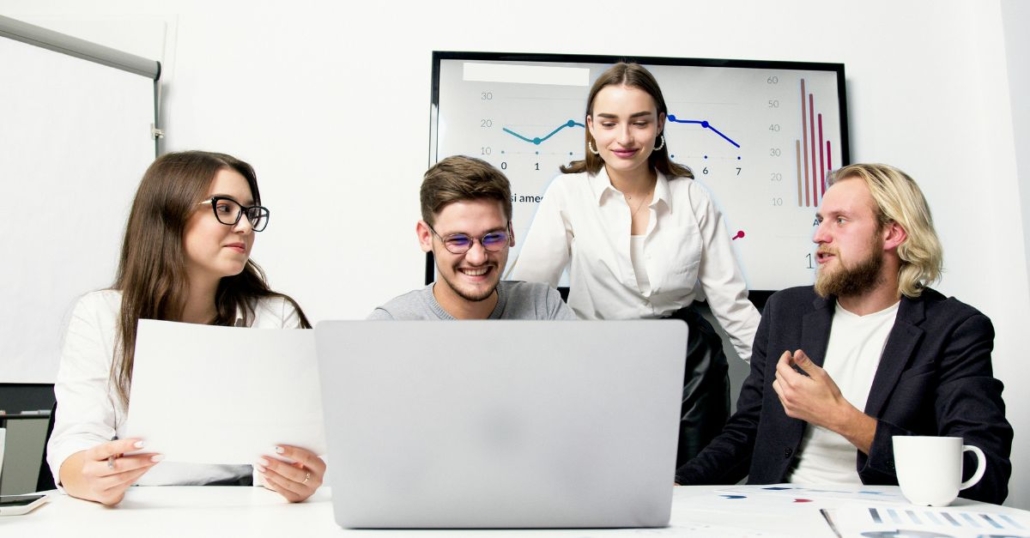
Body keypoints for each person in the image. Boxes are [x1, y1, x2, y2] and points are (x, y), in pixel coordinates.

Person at [676, 163, 1013, 504]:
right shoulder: (786, 311)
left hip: (881, 518)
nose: (819, 236)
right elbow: (748, 430)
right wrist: (678, 485)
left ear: (892, 233)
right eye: (819, 220)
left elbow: (984, 475)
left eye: (840, 220)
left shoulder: (955, 329)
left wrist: (842, 418)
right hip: (777, 514)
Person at [508, 62, 760, 464]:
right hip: (592, 360)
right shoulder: (568, 193)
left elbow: (732, 304)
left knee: (693, 492)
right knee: (594, 484)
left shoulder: (693, 197)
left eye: (639, 122)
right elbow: (528, 291)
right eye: (609, 123)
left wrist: (786, 376)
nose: (623, 138)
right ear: (591, 127)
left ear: (660, 124)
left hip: (687, 368)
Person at [47, 151, 326, 506]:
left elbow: (302, 447)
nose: (244, 226)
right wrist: (87, 477)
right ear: (169, 214)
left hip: (248, 509)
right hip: (132, 509)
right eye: (225, 208)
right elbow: (74, 442)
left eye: (250, 212)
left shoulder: (275, 317)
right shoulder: (101, 315)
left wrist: (301, 476)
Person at [369, 156, 575, 321]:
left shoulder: (543, 307)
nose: (477, 258)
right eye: (457, 240)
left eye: (493, 237)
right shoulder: (391, 326)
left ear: (511, 233)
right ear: (425, 237)